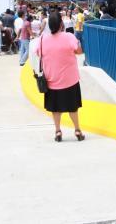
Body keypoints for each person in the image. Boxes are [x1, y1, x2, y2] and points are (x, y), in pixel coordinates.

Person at [36, 11, 84, 142]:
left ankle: (58, 131)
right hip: (70, 79)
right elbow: (79, 52)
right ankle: (77, 130)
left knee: (55, 109)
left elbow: (37, 53)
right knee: (72, 107)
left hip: (51, 80)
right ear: (61, 24)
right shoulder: (69, 37)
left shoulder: (42, 39)